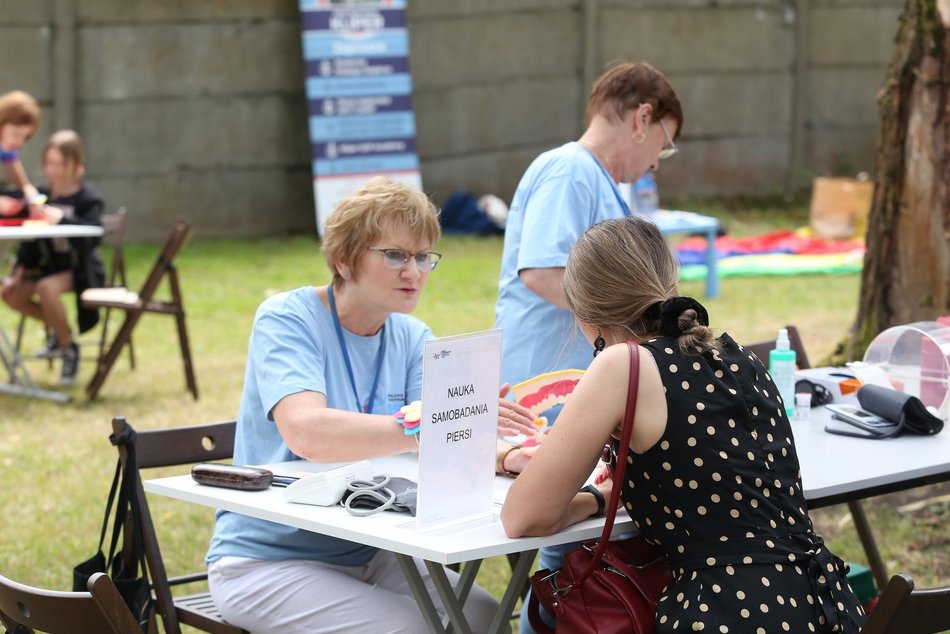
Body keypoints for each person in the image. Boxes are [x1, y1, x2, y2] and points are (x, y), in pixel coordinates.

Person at [501, 216, 867, 633]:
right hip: (822, 602)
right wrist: (602, 497)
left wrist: (595, 496)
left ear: (586, 314)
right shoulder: (738, 356)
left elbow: (523, 517)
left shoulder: (624, 364)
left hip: (728, 611)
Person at [205, 178, 536, 634]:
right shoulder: (287, 318)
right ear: (343, 259)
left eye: (423, 257)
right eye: (395, 255)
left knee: (482, 619)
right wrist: (431, 423)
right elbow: (307, 434)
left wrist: (507, 453)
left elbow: (445, 435)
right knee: (414, 630)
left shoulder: (411, 335)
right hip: (265, 561)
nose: (414, 271)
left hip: (371, 549)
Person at [492, 60, 682, 631]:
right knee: (560, 545)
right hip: (550, 385)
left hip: (588, 382)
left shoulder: (592, 177)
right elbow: (543, 270)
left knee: (574, 543)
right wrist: (639, 327)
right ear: (642, 119)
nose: (653, 164)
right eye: (663, 147)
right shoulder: (570, 169)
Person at [0, 129, 105, 386]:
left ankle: (68, 348)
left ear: (75, 166)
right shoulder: (41, 195)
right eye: (49, 163)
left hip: (81, 271)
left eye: (59, 164)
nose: (53, 170)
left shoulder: (87, 198)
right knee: (10, 294)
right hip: (49, 268)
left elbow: (92, 240)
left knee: (47, 288)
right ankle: (62, 332)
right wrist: (17, 275)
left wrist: (62, 218)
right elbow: (31, 244)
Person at [0, 90, 45, 211]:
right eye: (16, 134)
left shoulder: (6, 149)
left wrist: (32, 197)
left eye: (25, 137)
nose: (19, 142)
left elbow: (24, 185)